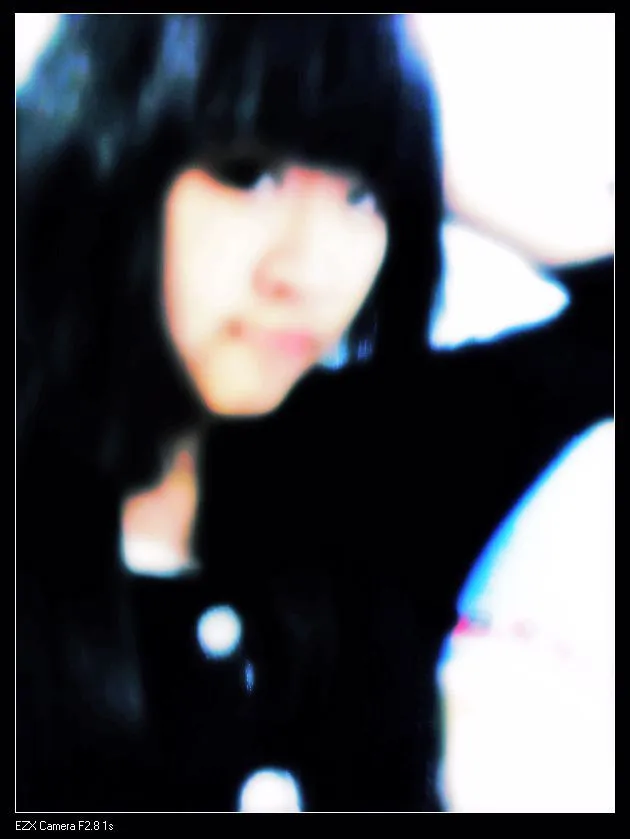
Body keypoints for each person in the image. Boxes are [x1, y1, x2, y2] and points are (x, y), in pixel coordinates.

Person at [16, 15, 612, 813]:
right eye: (248, 173)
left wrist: (411, 131)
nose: (316, 268)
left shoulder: (369, 473)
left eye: (365, 195)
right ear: (102, 152)